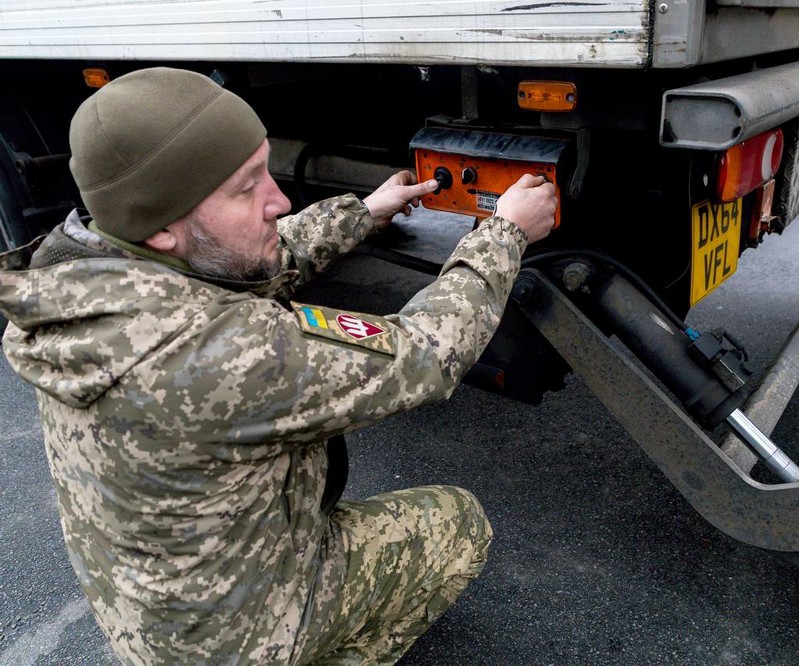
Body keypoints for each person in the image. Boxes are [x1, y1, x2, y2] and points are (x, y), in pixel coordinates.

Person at [0, 67, 556, 664]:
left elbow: (235, 255)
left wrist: (363, 212)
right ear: (161, 226)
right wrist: (503, 234)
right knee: (459, 524)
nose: (279, 199)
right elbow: (427, 352)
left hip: (156, 618)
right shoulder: (216, 351)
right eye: (246, 188)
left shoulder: (83, 285)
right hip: (241, 639)